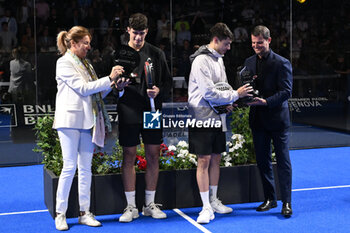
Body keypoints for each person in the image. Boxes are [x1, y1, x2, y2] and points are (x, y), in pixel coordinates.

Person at [52, 25, 127, 231]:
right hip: (68, 121)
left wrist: (113, 86)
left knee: (85, 168)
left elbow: (95, 95)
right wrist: (109, 78)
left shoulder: (86, 64)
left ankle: (85, 212)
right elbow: (83, 89)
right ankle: (60, 214)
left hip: (87, 120)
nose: (89, 46)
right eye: (85, 43)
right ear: (73, 43)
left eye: (89, 43)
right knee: (69, 167)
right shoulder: (63, 63)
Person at [188, 22, 252, 224]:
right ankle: (205, 207)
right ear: (215, 40)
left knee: (216, 158)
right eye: (226, 43)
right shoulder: (200, 61)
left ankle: (214, 200)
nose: (229, 47)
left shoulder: (219, 59)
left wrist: (228, 103)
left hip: (218, 116)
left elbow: (222, 87)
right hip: (201, 117)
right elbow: (208, 92)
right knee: (204, 160)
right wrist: (236, 94)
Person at [116, 13, 172, 223]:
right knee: (129, 155)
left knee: (153, 155)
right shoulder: (119, 54)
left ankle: (149, 204)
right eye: (135, 33)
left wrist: (158, 91)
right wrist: (118, 88)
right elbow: (111, 84)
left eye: (142, 33)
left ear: (147, 31)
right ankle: (131, 206)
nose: (138, 37)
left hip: (151, 111)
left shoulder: (156, 54)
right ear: (128, 30)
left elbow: (167, 83)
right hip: (128, 110)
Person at [244, 25, 293, 217]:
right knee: (263, 162)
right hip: (257, 120)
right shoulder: (248, 62)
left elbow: (287, 92)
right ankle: (270, 199)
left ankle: (287, 202)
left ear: (269, 41)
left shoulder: (282, 63)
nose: (256, 46)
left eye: (260, 43)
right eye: (253, 43)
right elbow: (245, 86)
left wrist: (266, 102)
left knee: (283, 162)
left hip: (277, 120)